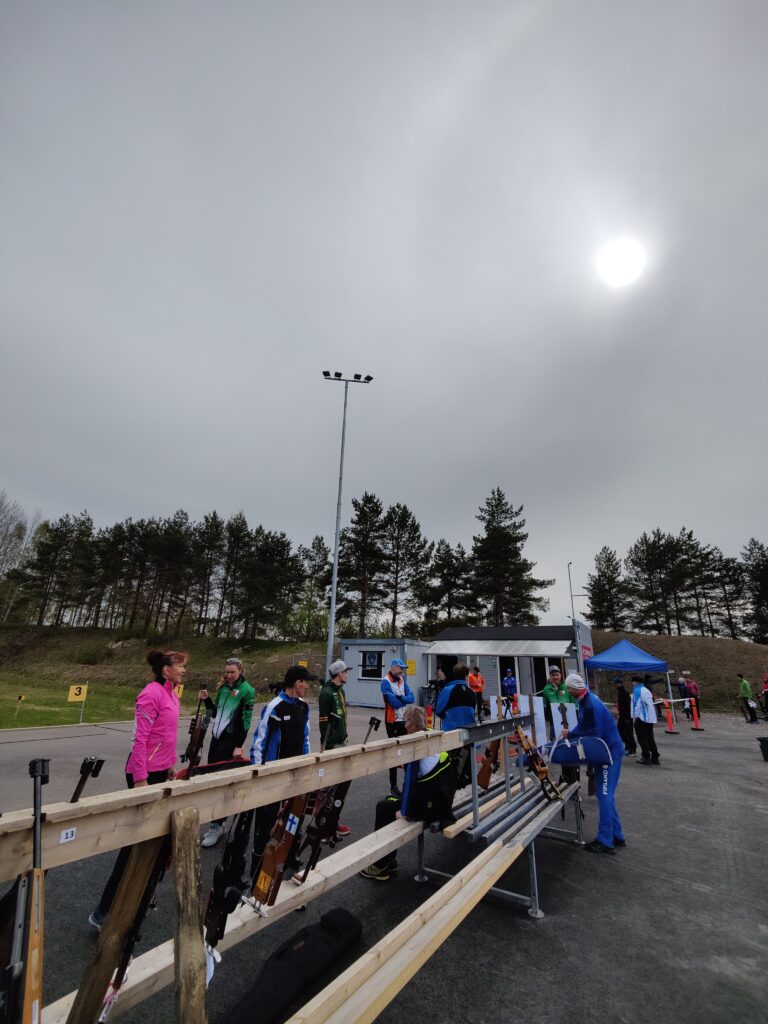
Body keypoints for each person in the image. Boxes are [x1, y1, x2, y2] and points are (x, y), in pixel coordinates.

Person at [89, 649, 187, 930]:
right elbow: (140, 739)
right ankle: (104, 911)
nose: (184, 670)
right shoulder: (150, 694)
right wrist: (141, 779)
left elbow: (167, 736)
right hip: (142, 773)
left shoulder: (173, 694)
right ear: (165, 670)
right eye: (180, 666)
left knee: (154, 838)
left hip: (159, 770)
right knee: (134, 842)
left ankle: (140, 896)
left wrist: (169, 764)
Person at [360, 705, 457, 881]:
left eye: (406, 722)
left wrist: (405, 812)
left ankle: (380, 865)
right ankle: (389, 860)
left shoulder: (415, 746)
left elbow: (409, 782)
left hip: (429, 807)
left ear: (412, 724)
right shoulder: (431, 735)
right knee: (390, 801)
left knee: (384, 807)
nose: (404, 726)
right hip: (442, 802)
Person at [250, 665, 314, 878]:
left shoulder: (304, 707)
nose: (308, 686)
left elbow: (305, 739)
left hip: (296, 775)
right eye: (306, 682)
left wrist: (306, 765)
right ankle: (258, 870)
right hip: (275, 777)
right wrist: (259, 775)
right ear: (297, 683)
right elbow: (258, 743)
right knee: (268, 826)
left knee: (294, 819)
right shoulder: (274, 706)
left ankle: (289, 860)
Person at [559, 673, 625, 855]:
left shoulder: (589, 705)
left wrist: (571, 736)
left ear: (574, 688)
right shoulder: (587, 699)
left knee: (603, 795)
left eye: (569, 688)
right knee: (607, 795)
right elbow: (586, 726)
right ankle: (617, 834)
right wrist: (572, 733)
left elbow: (592, 732)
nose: (567, 690)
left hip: (608, 754)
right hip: (609, 750)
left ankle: (605, 840)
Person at [200, 657, 256, 847]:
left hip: (230, 740)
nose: (229, 675)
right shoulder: (223, 688)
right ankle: (218, 822)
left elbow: (246, 721)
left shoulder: (247, 690)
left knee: (220, 781)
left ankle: (217, 825)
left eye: (233, 672)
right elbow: (215, 713)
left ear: (240, 671)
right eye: (227, 672)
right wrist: (207, 700)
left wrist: (239, 745)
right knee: (211, 778)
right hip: (216, 739)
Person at [317, 659, 352, 839]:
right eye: (345, 672)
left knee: (338, 785)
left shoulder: (341, 691)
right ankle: (323, 824)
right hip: (332, 746)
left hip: (342, 742)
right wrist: (328, 746)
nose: (347, 675)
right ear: (339, 674)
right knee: (328, 787)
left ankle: (332, 822)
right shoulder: (326, 693)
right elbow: (323, 722)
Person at [381, 659, 415, 795]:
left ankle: (408, 783)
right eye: (401, 668)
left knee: (406, 751)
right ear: (393, 668)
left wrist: (401, 698)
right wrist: (403, 699)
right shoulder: (385, 682)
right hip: (392, 722)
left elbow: (412, 698)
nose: (402, 671)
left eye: (403, 669)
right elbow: (394, 703)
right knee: (393, 754)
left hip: (403, 720)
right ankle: (393, 786)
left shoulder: (401, 679)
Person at [435, 663, 476, 731]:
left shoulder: (447, 690)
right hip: (469, 731)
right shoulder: (472, 692)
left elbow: (438, 711)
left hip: (450, 731)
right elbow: (472, 712)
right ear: (466, 676)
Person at [632, 675, 660, 764]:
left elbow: (636, 705)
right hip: (650, 718)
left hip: (641, 718)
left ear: (635, 682)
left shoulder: (637, 690)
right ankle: (655, 756)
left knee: (642, 738)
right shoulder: (647, 690)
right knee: (650, 738)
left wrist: (634, 716)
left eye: (633, 682)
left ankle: (645, 756)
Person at [541, 666, 573, 740]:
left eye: (557, 675)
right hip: (554, 719)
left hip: (568, 718)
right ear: (550, 676)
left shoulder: (566, 687)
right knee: (555, 740)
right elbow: (545, 704)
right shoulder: (546, 689)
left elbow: (572, 701)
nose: (555, 677)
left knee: (570, 739)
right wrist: (548, 717)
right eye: (553, 675)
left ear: (560, 675)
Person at [613, 677, 636, 755]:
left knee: (629, 733)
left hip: (627, 717)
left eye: (616, 683)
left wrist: (628, 717)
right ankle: (628, 746)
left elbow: (628, 706)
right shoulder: (620, 693)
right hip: (622, 716)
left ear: (620, 684)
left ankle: (633, 749)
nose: (615, 685)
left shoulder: (625, 693)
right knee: (620, 732)